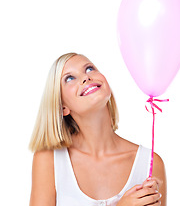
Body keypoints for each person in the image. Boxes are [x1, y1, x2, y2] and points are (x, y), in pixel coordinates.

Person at [29, 52, 167, 206]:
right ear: (62, 107)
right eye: (69, 78)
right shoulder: (50, 159)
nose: (86, 77)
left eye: (89, 69)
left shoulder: (150, 163)